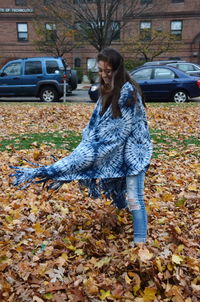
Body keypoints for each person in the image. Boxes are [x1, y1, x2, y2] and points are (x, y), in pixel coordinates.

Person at [10, 48, 152, 246]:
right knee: (125, 193)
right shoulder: (106, 91)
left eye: (108, 71)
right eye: (101, 71)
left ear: (118, 70)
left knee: (135, 196)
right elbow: (95, 125)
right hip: (118, 153)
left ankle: (140, 244)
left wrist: (87, 156)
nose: (103, 75)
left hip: (134, 152)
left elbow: (117, 132)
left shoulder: (128, 92)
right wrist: (83, 149)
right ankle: (123, 221)